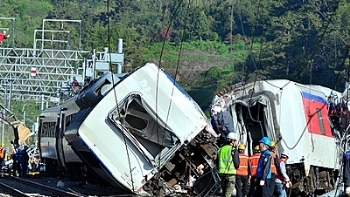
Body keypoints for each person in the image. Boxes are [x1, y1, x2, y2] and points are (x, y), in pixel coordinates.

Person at [217, 132, 240, 197]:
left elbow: (217, 162)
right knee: (228, 194)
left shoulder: (220, 149)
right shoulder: (233, 150)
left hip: (221, 174)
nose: (235, 143)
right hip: (231, 175)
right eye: (235, 141)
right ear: (232, 141)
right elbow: (237, 163)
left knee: (223, 192)